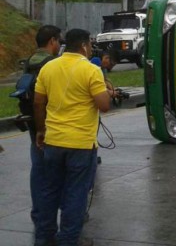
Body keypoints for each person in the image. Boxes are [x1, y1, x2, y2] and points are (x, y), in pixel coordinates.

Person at [33, 29, 111, 246]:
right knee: (76, 194)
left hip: (53, 142)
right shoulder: (91, 70)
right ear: (85, 46)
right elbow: (103, 106)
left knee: (49, 191)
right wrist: (107, 93)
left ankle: (43, 238)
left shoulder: (49, 67)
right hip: (81, 144)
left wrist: (41, 131)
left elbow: (39, 102)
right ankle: (67, 240)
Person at [16, 25, 62, 229]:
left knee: (38, 170)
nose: (59, 45)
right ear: (52, 41)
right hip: (49, 124)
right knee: (58, 174)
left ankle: (39, 214)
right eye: (58, 41)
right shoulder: (52, 63)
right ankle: (52, 219)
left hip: (33, 123)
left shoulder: (30, 61)